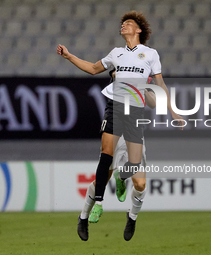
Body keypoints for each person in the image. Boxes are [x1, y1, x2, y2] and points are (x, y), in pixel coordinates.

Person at [57, 10, 183, 239]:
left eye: (128, 23)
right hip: (115, 108)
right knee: (104, 161)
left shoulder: (151, 54)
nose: (123, 26)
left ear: (139, 30)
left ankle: (131, 216)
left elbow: (159, 88)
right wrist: (69, 56)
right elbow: (93, 69)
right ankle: (87, 213)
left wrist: (173, 111)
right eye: (122, 23)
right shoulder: (116, 54)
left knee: (141, 183)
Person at [77, 71, 156, 241]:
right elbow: (109, 72)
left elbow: (154, 103)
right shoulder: (121, 59)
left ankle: (132, 218)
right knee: (102, 180)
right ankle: (83, 217)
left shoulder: (145, 68)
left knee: (140, 183)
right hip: (115, 123)